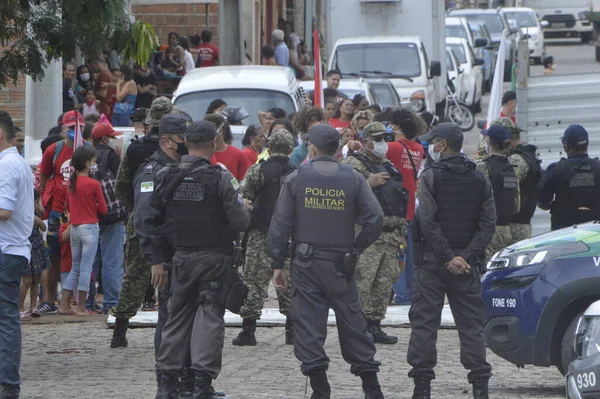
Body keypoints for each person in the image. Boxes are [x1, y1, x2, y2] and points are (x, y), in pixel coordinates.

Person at [266, 124, 385, 399]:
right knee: (354, 321)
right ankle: (372, 387)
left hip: (306, 264)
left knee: (308, 322)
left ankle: (320, 388)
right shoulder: (353, 177)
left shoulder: (297, 178)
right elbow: (375, 219)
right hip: (341, 263)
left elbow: (280, 223)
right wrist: (356, 247)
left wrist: (277, 262)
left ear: (313, 148)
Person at [149, 120, 250, 398]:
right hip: (214, 257)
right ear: (213, 143)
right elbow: (240, 220)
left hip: (181, 257)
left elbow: (151, 218)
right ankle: (201, 383)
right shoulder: (220, 177)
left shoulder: (165, 175)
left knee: (176, 319)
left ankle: (167, 383)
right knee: (208, 318)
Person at [408, 122, 495, 399]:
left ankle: (422, 388)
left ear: (442, 144)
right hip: (466, 266)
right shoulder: (479, 177)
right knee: (471, 325)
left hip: (435, 263)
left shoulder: (431, 176)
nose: (431, 146)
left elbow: (426, 220)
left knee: (424, 323)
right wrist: (464, 257)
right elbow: (488, 224)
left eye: (433, 141)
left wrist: (449, 256)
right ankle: (480, 387)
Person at [110, 97, 178, 348]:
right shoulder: (180, 148)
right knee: (174, 273)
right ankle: (171, 331)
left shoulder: (136, 149)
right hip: (172, 221)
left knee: (134, 275)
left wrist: (136, 208)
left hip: (139, 220)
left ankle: (120, 330)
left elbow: (121, 187)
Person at [341, 122, 408, 344]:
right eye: (377, 139)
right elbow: (345, 196)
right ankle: (359, 327)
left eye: (385, 139)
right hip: (368, 236)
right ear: (366, 140)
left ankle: (375, 325)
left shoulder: (390, 166)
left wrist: (401, 233)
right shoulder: (353, 164)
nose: (382, 144)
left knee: (383, 283)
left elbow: (399, 202)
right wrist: (368, 183)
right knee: (363, 282)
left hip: (390, 236)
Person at [233, 130, 296, 347]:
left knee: (254, 282)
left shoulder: (258, 170)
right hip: (289, 236)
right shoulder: (300, 173)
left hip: (260, 233)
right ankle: (292, 332)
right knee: (288, 282)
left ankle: (248, 331)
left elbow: (243, 199)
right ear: (290, 149)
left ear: (269, 147)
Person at [34, 111, 89, 316]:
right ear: (64, 128)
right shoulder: (53, 150)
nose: (77, 131)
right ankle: (48, 298)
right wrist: (46, 197)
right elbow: (45, 174)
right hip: (57, 211)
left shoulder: (87, 149)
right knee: (53, 256)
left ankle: (79, 300)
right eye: (73, 128)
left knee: (80, 256)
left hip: (80, 211)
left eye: (80, 128)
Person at [0, 110, 33, 398]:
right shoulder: (17, 162)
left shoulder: (6, 166)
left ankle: (8, 383)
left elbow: (5, 211)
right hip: (13, 250)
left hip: (5, 250)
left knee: (6, 318)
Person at [56, 146, 106, 316]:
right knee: (86, 268)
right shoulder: (94, 183)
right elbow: (104, 209)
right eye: (93, 161)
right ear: (87, 162)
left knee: (75, 268)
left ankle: (64, 304)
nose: (95, 164)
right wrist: (94, 205)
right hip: (90, 227)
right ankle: (81, 306)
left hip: (75, 228)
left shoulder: (71, 183)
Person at [385, 109, 424, 306]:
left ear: (397, 127)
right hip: (410, 208)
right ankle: (410, 294)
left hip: (395, 208)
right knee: (407, 255)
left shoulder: (392, 147)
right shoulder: (418, 148)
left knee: (396, 255)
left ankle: (402, 296)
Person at [91, 123, 127, 313]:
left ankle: (87, 302)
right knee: (112, 260)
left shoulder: (85, 156)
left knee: (91, 261)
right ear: (105, 139)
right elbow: (122, 181)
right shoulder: (111, 155)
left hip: (89, 215)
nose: (114, 140)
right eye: (112, 137)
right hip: (112, 216)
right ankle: (111, 302)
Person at [538, 124, 600, 230]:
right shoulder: (598, 167)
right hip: (594, 232)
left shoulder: (555, 169)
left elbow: (543, 203)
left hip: (564, 234)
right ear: (587, 144)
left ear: (566, 146)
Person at [476, 125, 520, 260]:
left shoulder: (482, 166)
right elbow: (516, 206)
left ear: (489, 141)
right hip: (506, 231)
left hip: (488, 231)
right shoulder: (511, 168)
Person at [494, 118, 541, 243]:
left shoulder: (516, 160)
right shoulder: (525, 156)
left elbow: (504, 190)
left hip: (514, 227)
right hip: (519, 225)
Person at [19, 190, 50, 321]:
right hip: (28, 249)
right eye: (37, 202)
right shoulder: (23, 215)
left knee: (36, 280)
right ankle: (19, 308)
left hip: (37, 249)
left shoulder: (36, 214)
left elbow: (43, 228)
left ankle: (33, 306)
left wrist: (38, 218)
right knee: (27, 281)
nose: (38, 204)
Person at [206, 113, 250, 180]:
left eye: (208, 131)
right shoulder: (201, 154)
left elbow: (244, 184)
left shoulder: (238, 155)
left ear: (220, 131)